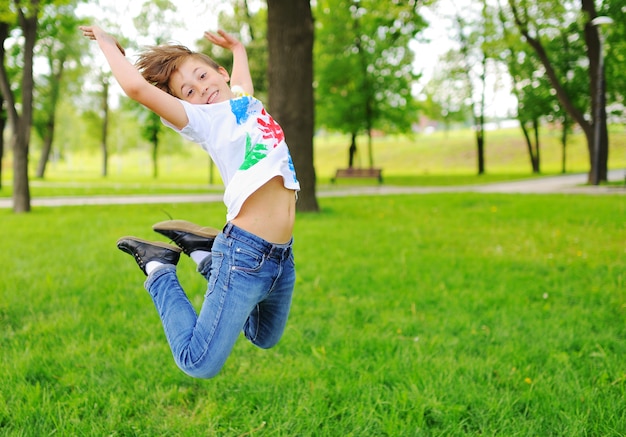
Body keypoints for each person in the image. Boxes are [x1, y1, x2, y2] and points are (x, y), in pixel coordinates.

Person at [80, 24, 300, 379]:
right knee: (196, 362)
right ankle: (158, 267)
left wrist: (239, 48)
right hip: (244, 253)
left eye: (203, 76)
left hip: (280, 256)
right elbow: (136, 88)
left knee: (263, 336)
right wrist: (109, 47)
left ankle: (205, 254)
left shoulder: (245, 103)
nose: (202, 89)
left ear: (221, 73)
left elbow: (241, 81)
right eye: (189, 91)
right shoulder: (204, 119)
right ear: (183, 105)